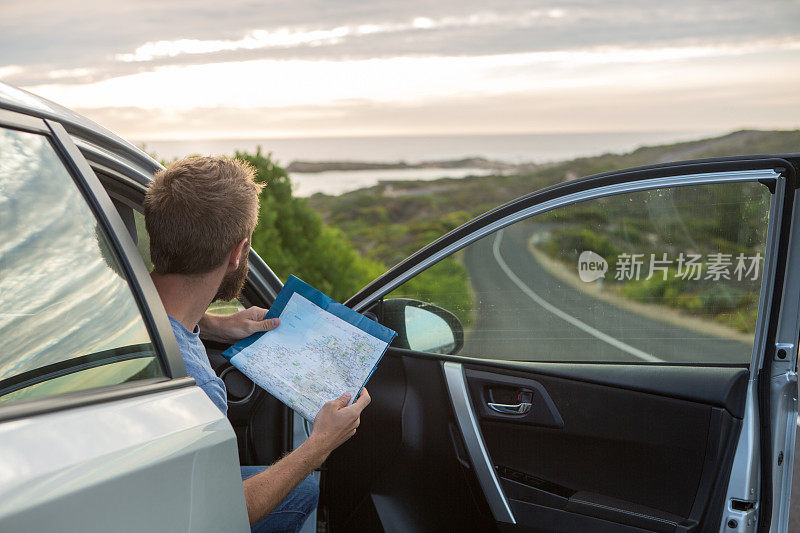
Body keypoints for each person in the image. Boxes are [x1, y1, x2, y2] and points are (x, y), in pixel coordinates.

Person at [143, 156, 370, 533]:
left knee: (303, 491)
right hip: (167, 514)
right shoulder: (194, 384)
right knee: (305, 485)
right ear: (237, 252)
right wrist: (319, 445)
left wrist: (213, 325)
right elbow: (217, 516)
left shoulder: (115, 301)